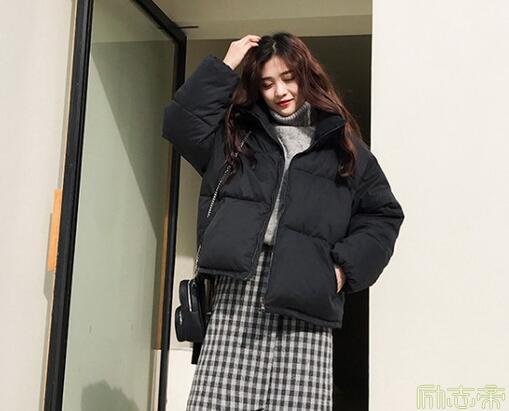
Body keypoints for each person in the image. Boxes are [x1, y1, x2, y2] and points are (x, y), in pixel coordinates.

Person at [162, 32, 405, 411]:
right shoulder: (236, 135)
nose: (280, 91)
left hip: (306, 292)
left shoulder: (343, 146)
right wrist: (226, 65)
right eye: (268, 83)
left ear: (306, 75)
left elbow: (383, 215)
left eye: (288, 78)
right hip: (239, 289)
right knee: (216, 403)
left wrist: (341, 270)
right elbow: (180, 125)